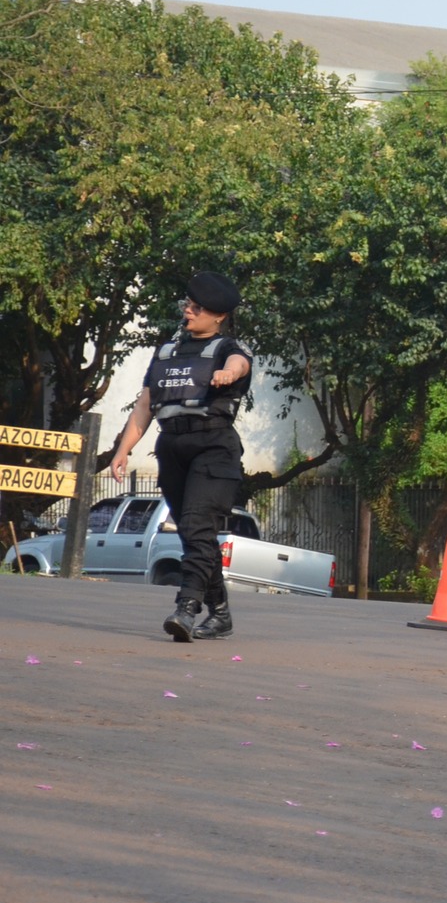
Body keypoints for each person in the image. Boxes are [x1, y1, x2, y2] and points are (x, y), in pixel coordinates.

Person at [109, 272, 253, 642]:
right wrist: (123, 450)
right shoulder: (166, 353)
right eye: (187, 305)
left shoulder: (228, 348)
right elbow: (144, 406)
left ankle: (186, 609)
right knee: (193, 532)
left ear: (219, 316)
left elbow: (239, 363)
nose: (188, 311)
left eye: (197, 308)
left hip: (214, 448)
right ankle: (220, 613)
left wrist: (227, 374)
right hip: (172, 448)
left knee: (197, 524)